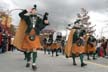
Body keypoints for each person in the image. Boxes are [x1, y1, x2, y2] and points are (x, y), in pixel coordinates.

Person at [13, 4, 49, 71]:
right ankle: (29, 61)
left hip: (35, 34)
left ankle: (34, 64)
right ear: (31, 11)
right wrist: (26, 10)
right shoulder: (27, 17)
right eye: (33, 10)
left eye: (35, 10)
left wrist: (46, 17)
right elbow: (20, 15)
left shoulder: (39, 19)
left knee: (34, 49)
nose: (34, 11)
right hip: (28, 34)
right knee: (28, 50)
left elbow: (43, 24)